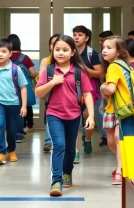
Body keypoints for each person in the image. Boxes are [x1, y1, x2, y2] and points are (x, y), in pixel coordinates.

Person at [35, 35, 95, 197]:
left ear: (72, 52)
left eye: (65, 50)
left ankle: (67, 172)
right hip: (54, 114)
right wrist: (52, 82)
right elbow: (39, 92)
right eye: (57, 49)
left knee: (70, 148)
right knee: (59, 145)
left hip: (74, 115)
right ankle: (56, 180)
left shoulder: (78, 71)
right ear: (52, 51)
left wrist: (91, 115)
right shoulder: (48, 71)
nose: (60, 53)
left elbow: (88, 94)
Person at [100, 36, 134, 186]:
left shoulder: (115, 66)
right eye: (103, 47)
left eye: (109, 48)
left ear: (119, 51)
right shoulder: (122, 65)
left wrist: (102, 87)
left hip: (122, 109)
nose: (104, 50)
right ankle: (124, 163)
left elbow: (110, 88)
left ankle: (121, 170)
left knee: (117, 138)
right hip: (114, 107)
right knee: (111, 140)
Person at [0, 38, 28, 164]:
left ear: (10, 53)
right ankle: (1, 153)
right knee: (0, 124)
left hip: (14, 103)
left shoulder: (16, 69)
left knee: (12, 128)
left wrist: (24, 105)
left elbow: (23, 87)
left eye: (4, 51)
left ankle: (11, 150)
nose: (0, 54)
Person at [73, 25, 102, 156]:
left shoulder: (91, 53)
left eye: (80, 35)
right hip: (73, 90)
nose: (76, 37)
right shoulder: (70, 51)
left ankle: (88, 139)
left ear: (87, 37)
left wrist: (84, 68)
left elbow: (99, 73)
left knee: (89, 117)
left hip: (90, 90)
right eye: (74, 34)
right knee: (75, 120)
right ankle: (75, 150)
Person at [7, 34, 37, 142]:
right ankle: (19, 134)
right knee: (22, 109)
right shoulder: (25, 58)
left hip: (8, 88)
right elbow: (33, 73)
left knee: (10, 111)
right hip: (22, 88)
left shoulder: (6, 57)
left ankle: (11, 132)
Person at [39, 33, 61, 153]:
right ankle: (48, 141)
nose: (55, 46)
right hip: (49, 91)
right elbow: (41, 76)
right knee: (50, 115)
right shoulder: (45, 60)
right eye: (53, 43)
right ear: (49, 46)